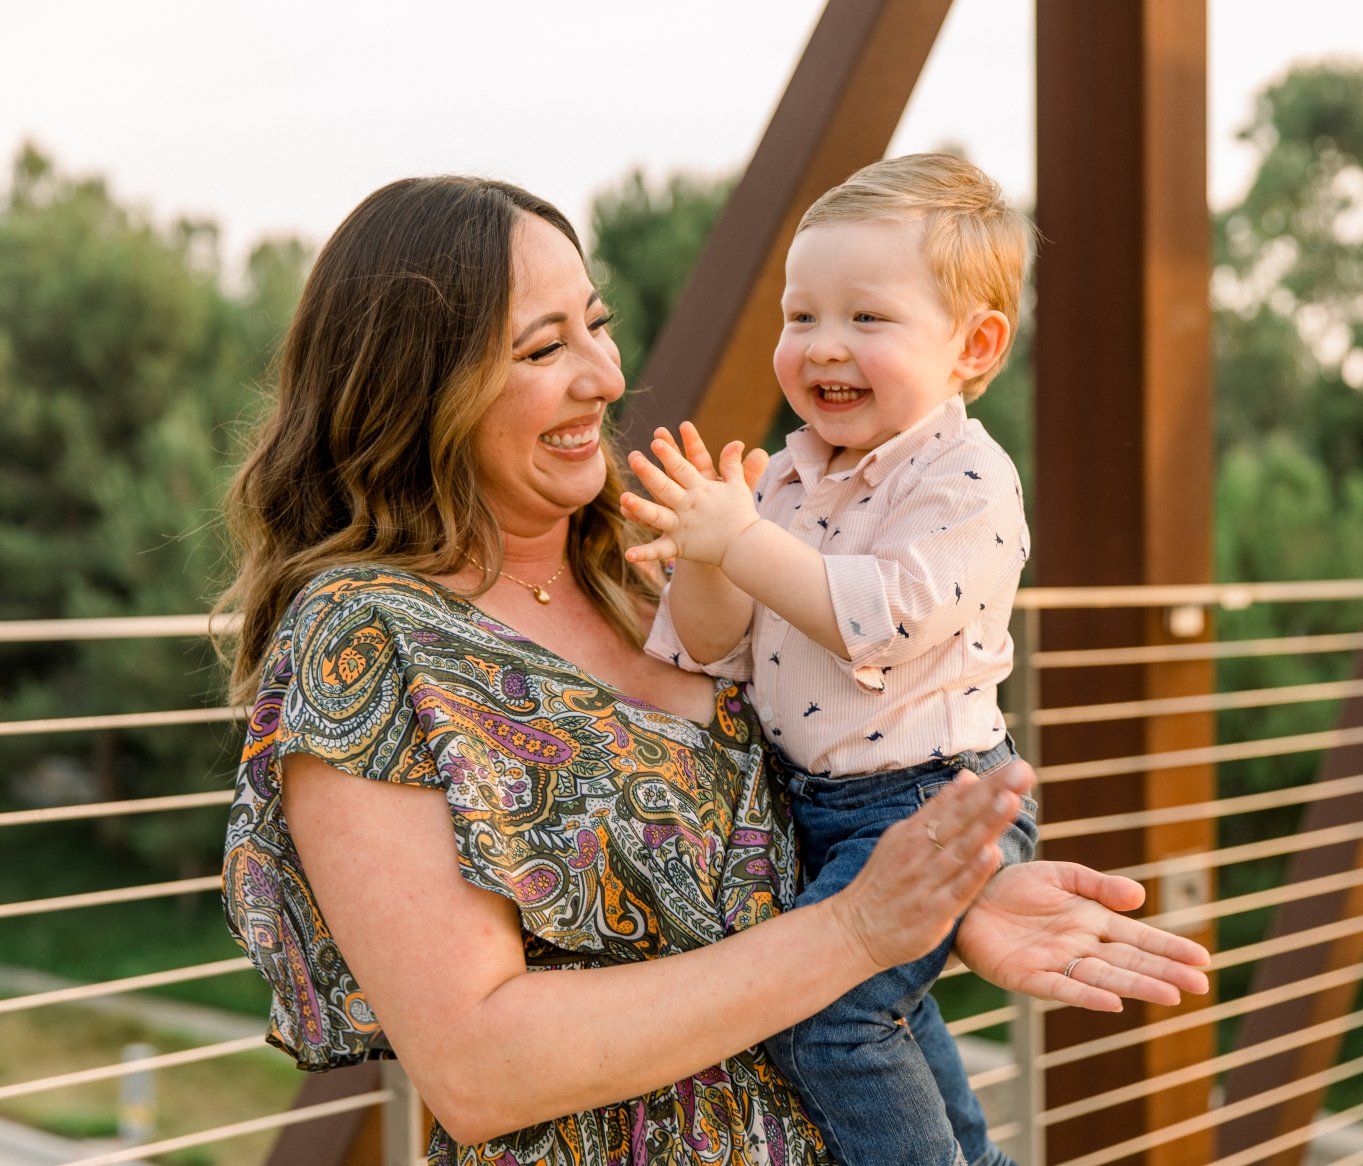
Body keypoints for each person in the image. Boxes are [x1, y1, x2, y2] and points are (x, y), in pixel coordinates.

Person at [217, 174, 1211, 1166]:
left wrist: (956, 898)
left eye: (594, 325)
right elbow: (480, 1067)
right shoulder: (365, 640)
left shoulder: (642, 576)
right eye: (541, 348)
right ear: (419, 386)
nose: (604, 376)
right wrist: (857, 932)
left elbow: (816, 811)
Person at [621, 154, 1044, 1166]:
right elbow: (715, 643)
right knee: (881, 1009)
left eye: (866, 318)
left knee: (829, 1019)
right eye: (799, 315)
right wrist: (705, 556)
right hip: (821, 803)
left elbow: (880, 617)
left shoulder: (969, 478)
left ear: (972, 346)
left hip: (933, 799)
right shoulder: (785, 475)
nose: (822, 347)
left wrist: (746, 544)